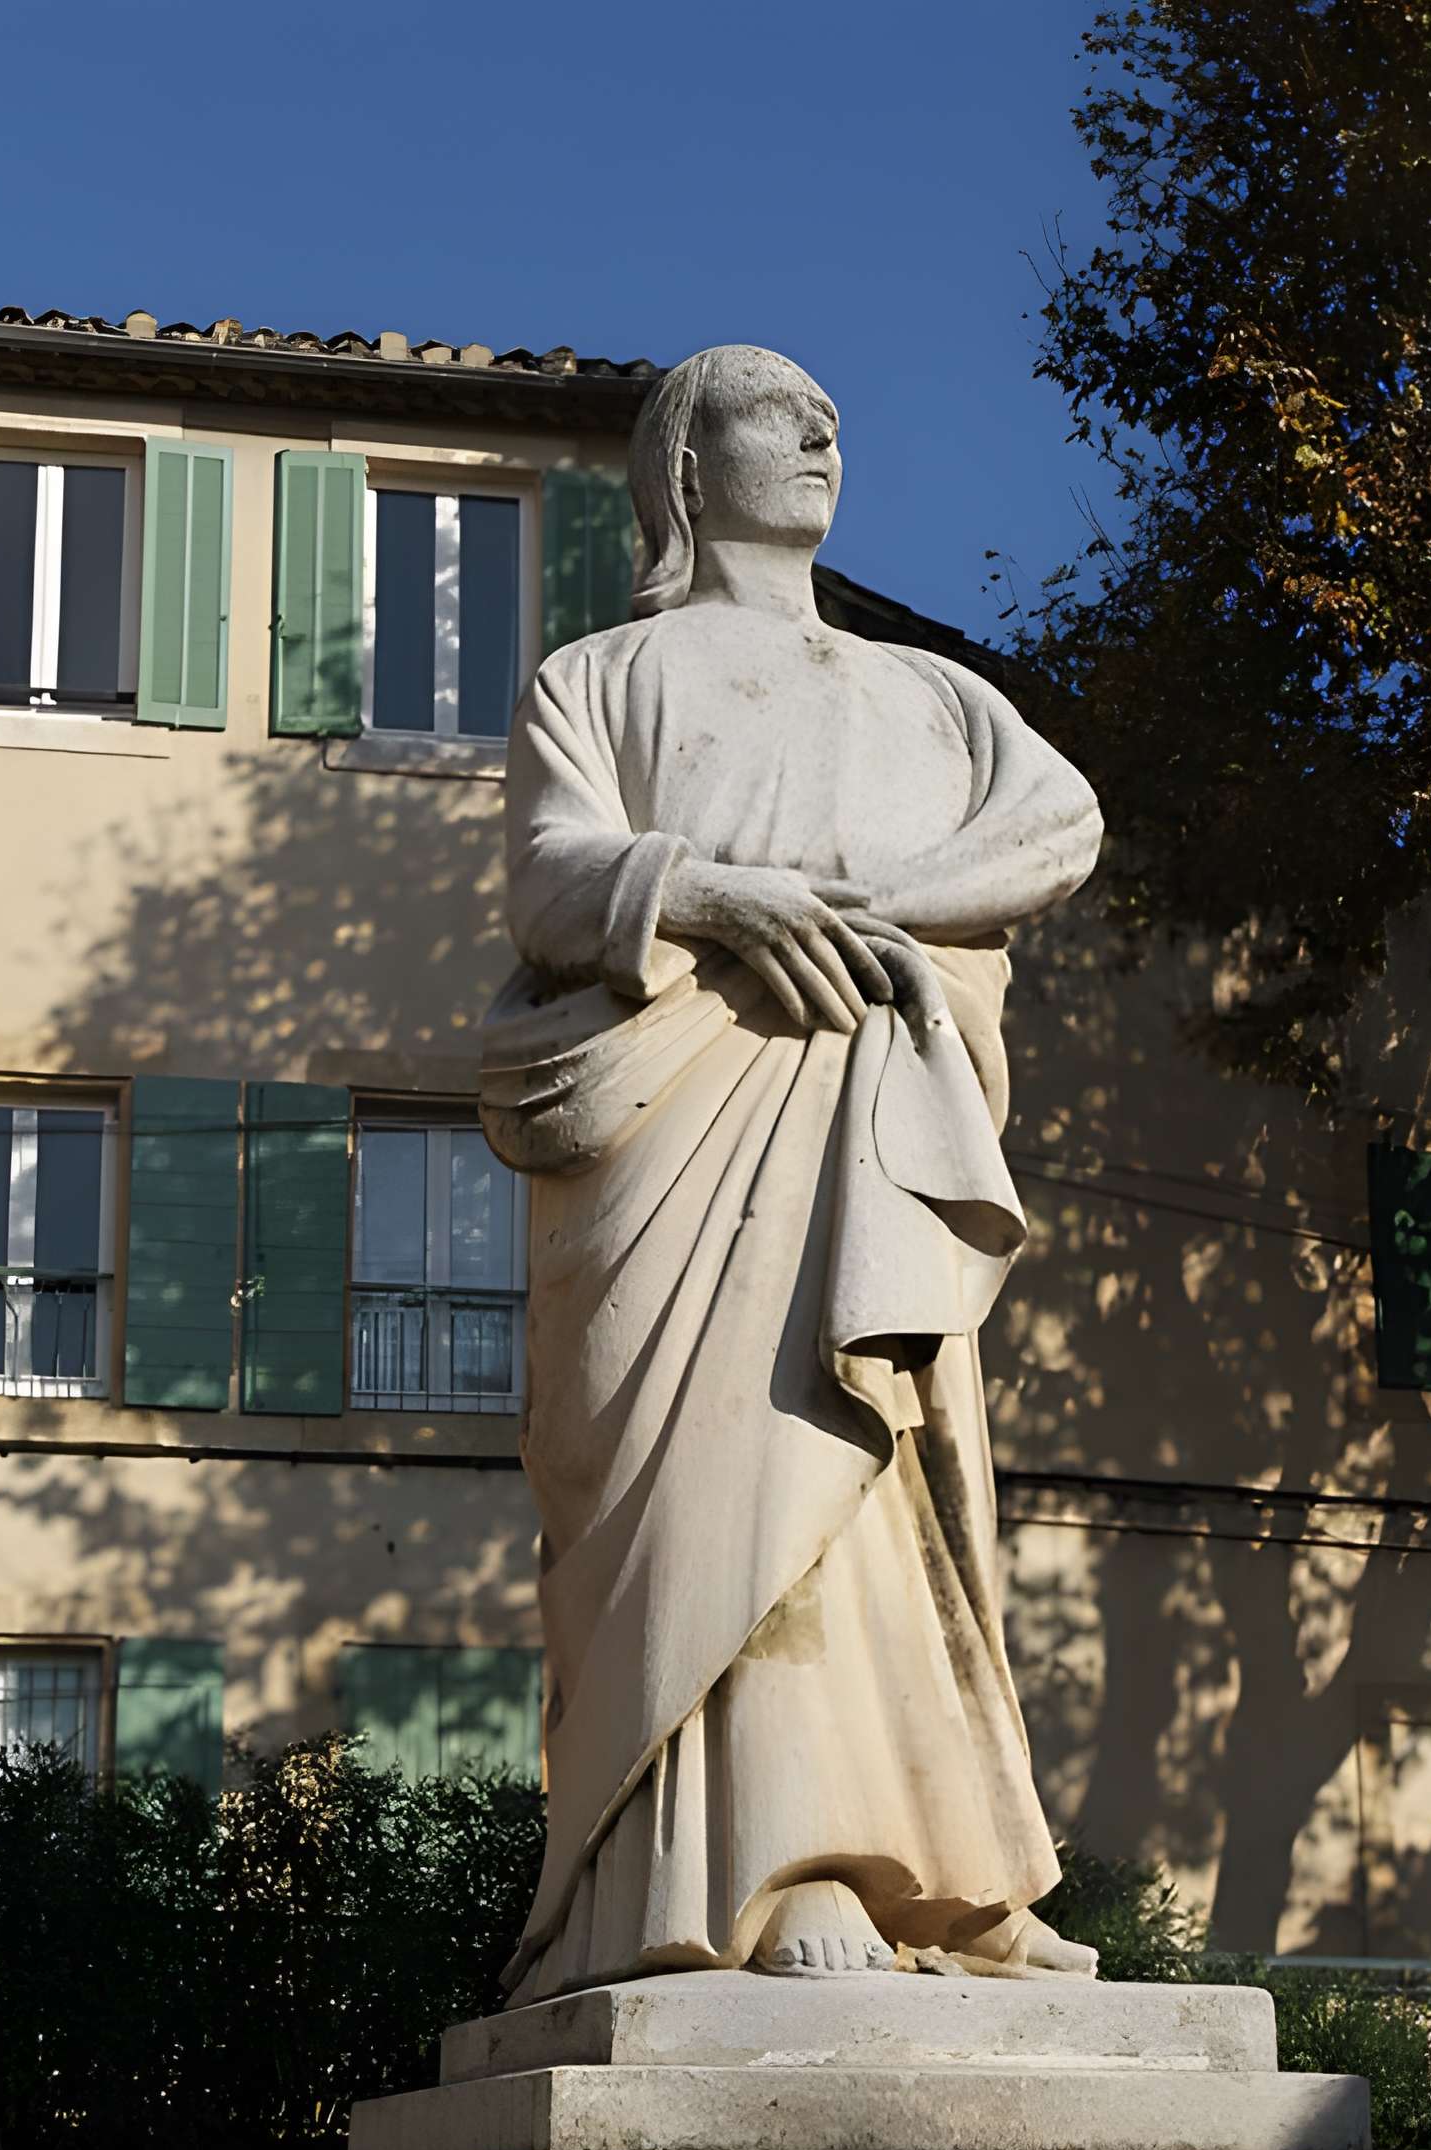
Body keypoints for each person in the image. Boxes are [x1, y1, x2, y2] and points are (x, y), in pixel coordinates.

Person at [483, 345, 1103, 2004]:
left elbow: (1059, 826)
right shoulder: (601, 678)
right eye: (777, 408)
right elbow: (550, 882)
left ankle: (949, 1877)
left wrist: (877, 909)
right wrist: (711, 899)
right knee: (731, 1474)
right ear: (686, 463)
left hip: (877, 1118)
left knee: (888, 1481)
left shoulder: (936, 695)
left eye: (834, 411)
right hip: (682, 1130)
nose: (826, 431)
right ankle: (764, 1864)